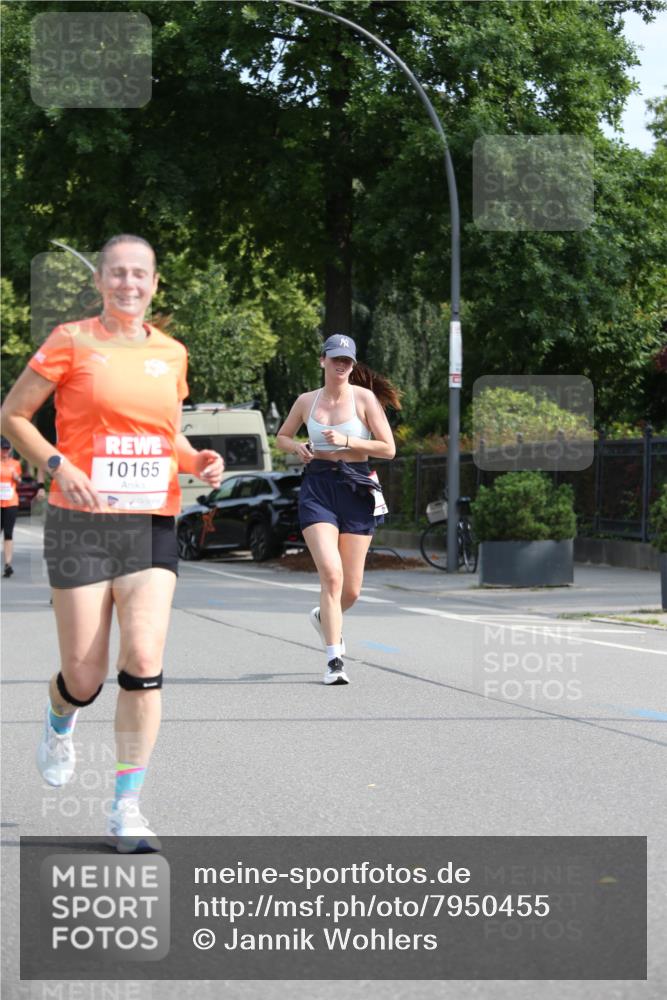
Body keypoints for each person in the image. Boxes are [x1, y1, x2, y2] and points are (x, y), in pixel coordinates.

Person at [0, 234, 223, 852]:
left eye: (139, 274)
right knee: (85, 674)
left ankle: (127, 808)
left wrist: (197, 459)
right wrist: (57, 464)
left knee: (144, 662)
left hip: (150, 520)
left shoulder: (171, 353)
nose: (129, 283)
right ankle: (60, 717)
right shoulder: (70, 341)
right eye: (117, 273)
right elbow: (13, 415)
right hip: (81, 522)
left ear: (154, 284)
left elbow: (166, 436)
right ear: (99, 282)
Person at [276, 334, 399, 685]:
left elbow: (388, 448)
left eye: (347, 360)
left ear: (352, 365)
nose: (341, 365)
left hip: (356, 487)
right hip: (318, 487)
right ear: (323, 361)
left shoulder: (364, 398)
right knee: (331, 575)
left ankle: (324, 616)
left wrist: (348, 440)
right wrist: (297, 447)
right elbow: (282, 437)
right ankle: (334, 660)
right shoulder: (306, 401)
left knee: (352, 590)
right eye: (335, 359)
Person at [0, 437, 22, 577]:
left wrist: (16, 477)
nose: (5, 452)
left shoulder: (15, 464)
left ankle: (8, 565)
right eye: (3, 449)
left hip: (11, 502)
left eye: (7, 449)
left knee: (8, 533)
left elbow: (19, 481)